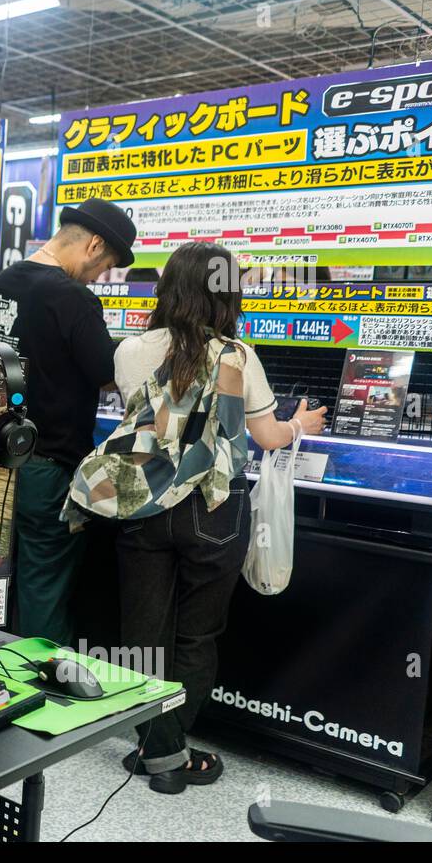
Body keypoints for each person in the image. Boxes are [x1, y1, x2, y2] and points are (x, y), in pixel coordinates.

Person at [109, 242, 327, 794]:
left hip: (144, 501)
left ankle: (155, 746)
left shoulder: (130, 350)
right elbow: (268, 436)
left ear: (166, 289)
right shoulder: (237, 355)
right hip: (214, 508)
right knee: (197, 636)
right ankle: (167, 752)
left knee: (143, 630)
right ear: (227, 294)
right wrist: (302, 424)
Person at [0, 197, 137, 643]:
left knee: (2, 585)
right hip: (50, 470)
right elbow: (108, 374)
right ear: (94, 245)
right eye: (104, 266)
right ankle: (46, 693)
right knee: (44, 586)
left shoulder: (2, 284)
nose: (98, 277)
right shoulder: (73, 298)